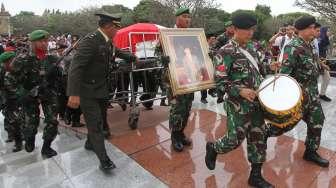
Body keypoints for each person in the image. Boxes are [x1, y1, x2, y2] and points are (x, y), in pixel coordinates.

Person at [205, 12, 280, 188]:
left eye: (252, 29)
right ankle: (214, 148)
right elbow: (220, 83)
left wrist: (271, 66)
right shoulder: (224, 52)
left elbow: (261, 67)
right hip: (238, 104)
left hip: (257, 102)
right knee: (234, 139)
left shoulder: (253, 47)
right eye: (247, 30)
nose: (251, 33)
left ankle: (255, 176)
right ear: (236, 29)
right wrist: (240, 90)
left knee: (258, 137)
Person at [67, 12, 136, 172]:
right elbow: (75, 68)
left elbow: (117, 52)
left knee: (101, 121)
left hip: (102, 90)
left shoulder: (107, 41)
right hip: (87, 91)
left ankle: (90, 143)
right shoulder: (89, 41)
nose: (118, 30)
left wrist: (132, 57)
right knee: (96, 125)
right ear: (107, 27)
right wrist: (74, 93)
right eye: (116, 28)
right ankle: (104, 160)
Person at [265, 16, 329, 168]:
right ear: (304, 29)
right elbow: (285, 75)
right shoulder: (292, 47)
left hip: (312, 96)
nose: (315, 30)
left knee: (317, 121)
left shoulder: (310, 45)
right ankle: (261, 134)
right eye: (313, 27)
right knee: (282, 127)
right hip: (298, 97)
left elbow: (312, 65)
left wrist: (321, 67)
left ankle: (310, 152)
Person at [11, 30, 61, 158]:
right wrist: (21, 94)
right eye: (41, 41)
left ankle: (46, 147)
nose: (44, 43)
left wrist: (57, 73)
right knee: (31, 123)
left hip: (48, 93)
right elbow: (11, 78)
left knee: (53, 121)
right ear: (32, 43)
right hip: (29, 95)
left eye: (46, 40)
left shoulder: (52, 58)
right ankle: (29, 139)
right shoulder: (22, 59)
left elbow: (59, 77)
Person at [160, 7, 194, 152]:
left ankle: (181, 133)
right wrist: (163, 59)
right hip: (173, 79)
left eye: (189, 17)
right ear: (177, 18)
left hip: (189, 77)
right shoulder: (167, 35)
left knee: (186, 107)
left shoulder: (191, 36)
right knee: (177, 109)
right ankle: (175, 136)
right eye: (184, 16)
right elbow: (157, 55)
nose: (187, 19)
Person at [0, 52, 24, 152]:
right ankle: (17, 141)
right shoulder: (2, 71)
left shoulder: (19, 69)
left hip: (20, 99)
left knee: (19, 120)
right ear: (6, 62)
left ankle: (21, 137)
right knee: (13, 121)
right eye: (11, 61)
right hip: (8, 100)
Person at [318, 26, 332, 101]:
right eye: (328, 31)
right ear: (324, 31)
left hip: (323, 62)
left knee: (327, 78)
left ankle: (322, 94)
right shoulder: (319, 40)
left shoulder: (326, 39)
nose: (329, 32)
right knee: (315, 80)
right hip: (317, 62)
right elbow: (315, 53)